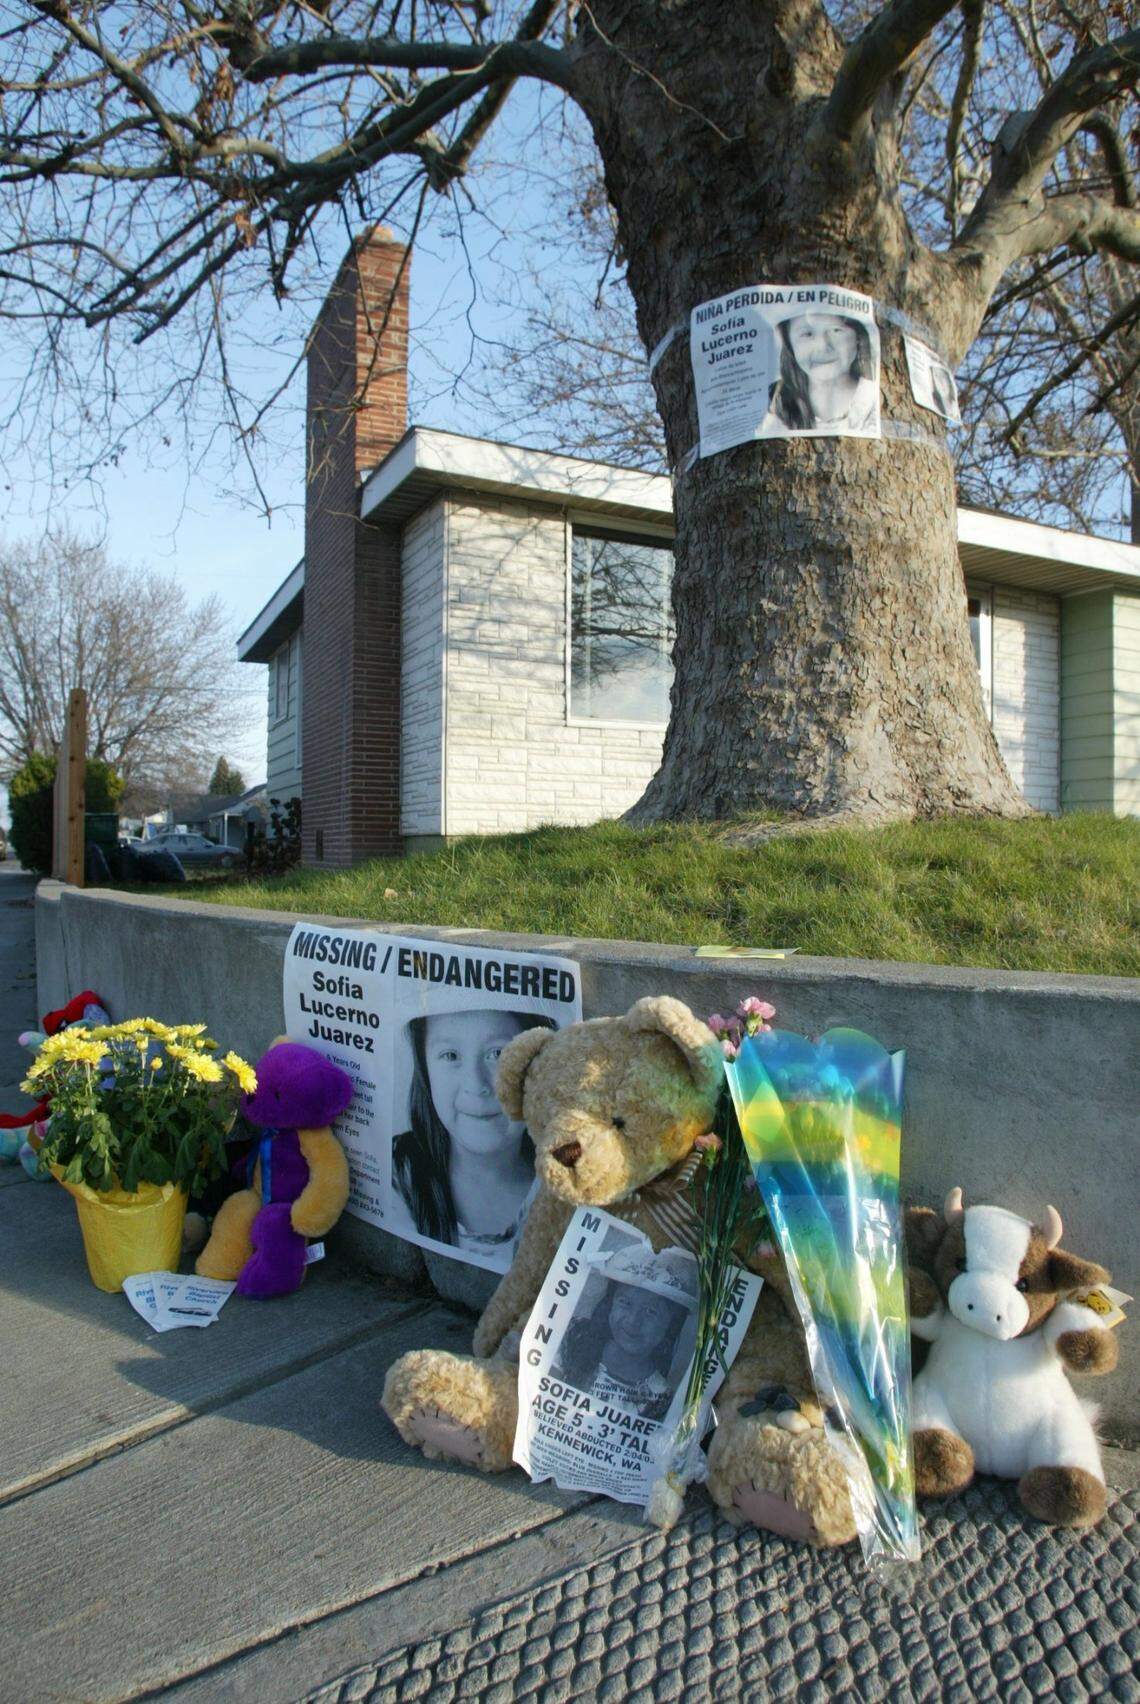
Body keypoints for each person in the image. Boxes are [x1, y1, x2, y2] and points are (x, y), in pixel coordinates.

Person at [392, 1007, 552, 1257]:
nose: (476, 1085)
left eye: (498, 1053)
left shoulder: (566, 1179)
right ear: (425, 1071)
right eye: (450, 1055)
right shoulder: (398, 1172)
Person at [553, 1279, 692, 1420]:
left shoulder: (660, 1396)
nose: (633, 1321)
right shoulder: (574, 1337)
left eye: (650, 1311)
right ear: (610, 1303)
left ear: (670, 1324)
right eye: (625, 1303)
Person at [765, 310, 878, 434]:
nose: (822, 346)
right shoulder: (774, 402)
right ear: (790, 344)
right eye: (807, 334)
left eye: (836, 330)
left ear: (858, 337)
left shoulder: (874, 398)